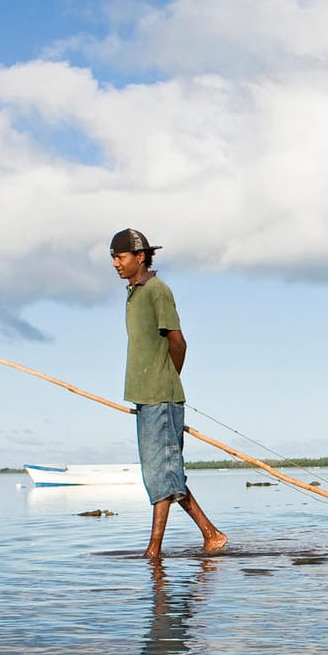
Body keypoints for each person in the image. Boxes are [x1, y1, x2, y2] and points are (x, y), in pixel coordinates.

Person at [111, 227, 227, 558]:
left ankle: (155, 549)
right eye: (114, 258)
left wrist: (166, 380)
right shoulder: (134, 294)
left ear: (140, 257)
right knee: (162, 473)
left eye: (121, 257)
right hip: (145, 397)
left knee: (162, 473)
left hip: (161, 396)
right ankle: (211, 534)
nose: (116, 264)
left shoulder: (157, 291)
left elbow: (178, 342)